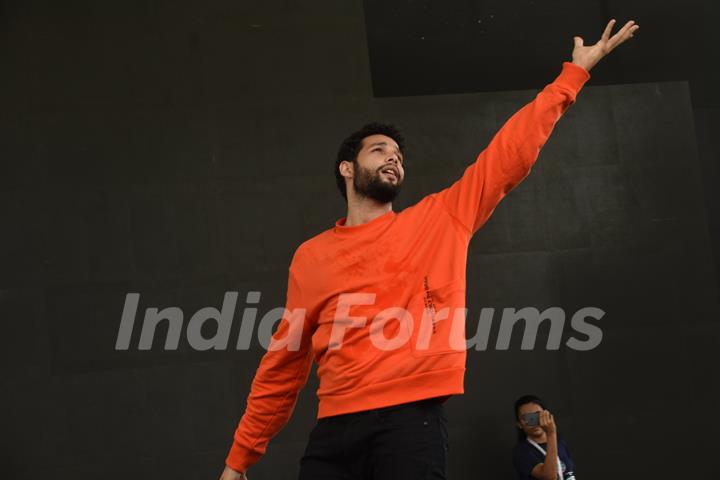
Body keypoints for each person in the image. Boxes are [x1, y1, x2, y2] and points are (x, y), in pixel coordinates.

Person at [219, 19, 639, 480]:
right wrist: (239, 461)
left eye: (398, 154)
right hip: (334, 429)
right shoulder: (311, 256)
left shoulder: (440, 219)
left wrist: (571, 78)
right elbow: (285, 360)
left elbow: (508, 155)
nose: (393, 157)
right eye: (379, 150)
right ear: (346, 168)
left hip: (410, 422)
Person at [512, 395, 576, 480]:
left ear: (546, 414)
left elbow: (570, 474)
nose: (533, 421)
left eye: (537, 415)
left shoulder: (560, 443)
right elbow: (550, 477)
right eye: (527, 417)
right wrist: (551, 433)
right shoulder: (521, 451)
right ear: (519, 424)